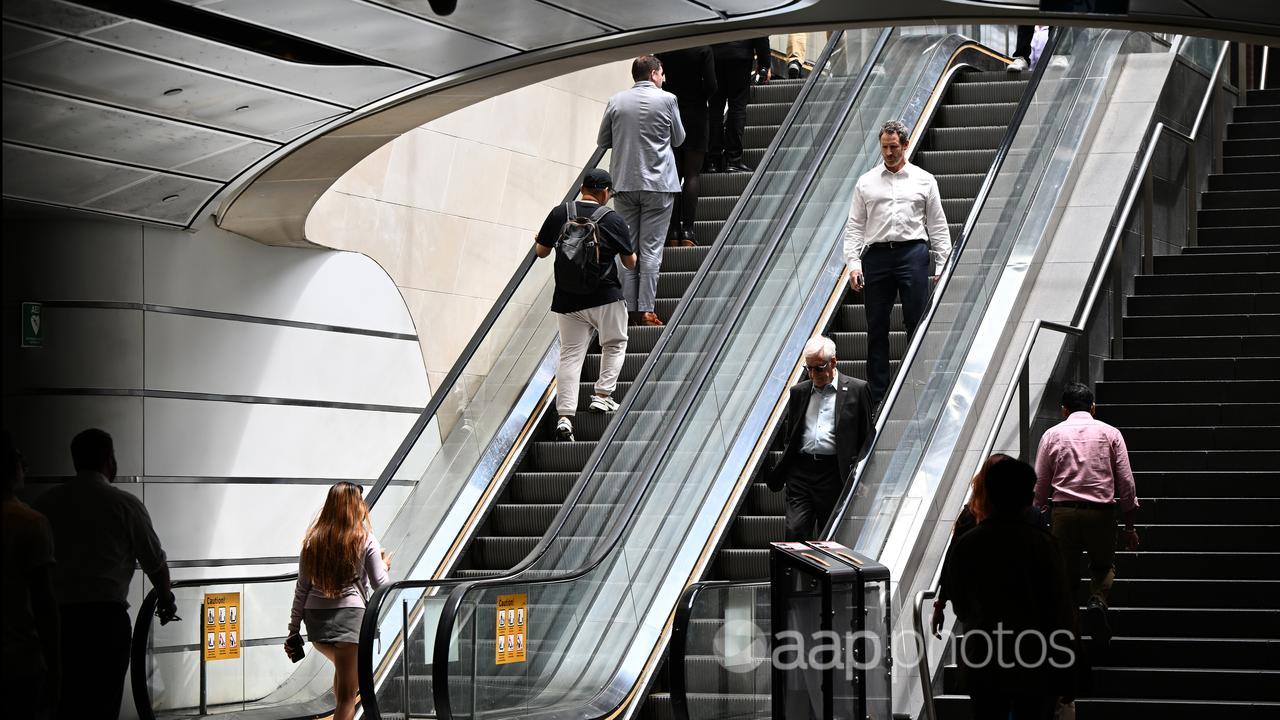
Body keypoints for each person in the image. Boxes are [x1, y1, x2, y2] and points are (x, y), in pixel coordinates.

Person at [35, 428, 176, 720]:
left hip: (57, 622)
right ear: (109, 460)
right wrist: (165, 599)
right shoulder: (125, 506)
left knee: (64, 702)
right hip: (105, 623)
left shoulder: (45, 505)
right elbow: (156, 564)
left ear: (75, 461)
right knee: (103, 702)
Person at [942, 458, 1077, 720]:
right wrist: (1069, 665)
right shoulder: (1044, 545)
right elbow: (1061, 608)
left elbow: (960, 603)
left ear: (989, 493)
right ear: (1027, 498)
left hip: (984, 656)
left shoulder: (969, 544)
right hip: (1035, 658)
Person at [843, 119, 951, 404]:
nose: (889, 153)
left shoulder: (924, 180)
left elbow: (937, 225)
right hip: (876, 255)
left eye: (893, 147)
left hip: (912, 253)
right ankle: (878, 394)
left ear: (905, 145)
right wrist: (853, 264)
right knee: (875, 324)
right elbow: (854, 226)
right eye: (884, 147)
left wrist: (942, 265)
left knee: (915, 321)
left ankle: (918, 384)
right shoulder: (866, 182)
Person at [534, 168, 638, 442]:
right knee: (614, 343)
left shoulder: (560, 213)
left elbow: (541, 252)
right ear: (605, 192)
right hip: (605, 297)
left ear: (582, 187)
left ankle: (565, 418)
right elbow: (630, 263)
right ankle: (602, 396)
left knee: (570, 355)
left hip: (567, 299)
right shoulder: (613, 219)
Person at [1034, 382, 1139, 638]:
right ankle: (1097, 602)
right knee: (1103, 567)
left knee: (1064, 574)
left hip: (1063, 513)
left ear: (1063, 410)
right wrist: (1129, 525)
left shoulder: (1051, 435)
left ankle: (1068, 628)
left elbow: (1039, 483)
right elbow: (1126, 481)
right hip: (1101, 513)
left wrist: (1036, 517)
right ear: (1093, 407)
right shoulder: (1111, 433)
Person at [287, 482, 391, 720]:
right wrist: (384, 566)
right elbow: (381, 585)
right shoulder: (365, 539)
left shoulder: (312, 541)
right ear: (355, 506)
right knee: (347, 697)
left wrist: (293, 628)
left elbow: (302, 588)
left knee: (343, 676)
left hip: (316, 624)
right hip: (349, 621)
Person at [597, 55, 685, 327]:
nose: (663, 78)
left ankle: (625, 311)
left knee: (627, 248)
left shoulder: (616, 101)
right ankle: (646, 309)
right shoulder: (668, 100)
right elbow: (679, 139)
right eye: (661, 74)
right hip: (658, 185)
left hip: (624, 184)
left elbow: (603, 140)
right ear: (653, 74)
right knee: (651, 249)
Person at [766, 335, 874, 540]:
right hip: (801, 474)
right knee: (795, 533)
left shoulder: (857, 390)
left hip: (834, 473)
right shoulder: (799, 392)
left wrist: (863, 477)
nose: (813, 374)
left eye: (819, 368)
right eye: (809, 368)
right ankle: (795, 573)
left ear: (833, 362)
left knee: (829, 538)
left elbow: (867, 439)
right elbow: (792, 435)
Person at [2, 431, 59, 718]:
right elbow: (43, 601)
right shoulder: (29, 522)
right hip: (19, 658)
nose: (25, 467)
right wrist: (56, 665)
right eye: (19, 459)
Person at [655, 45, 717, 247]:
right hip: (696, 113)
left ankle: (673, 231)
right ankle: (688, 231)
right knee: (692, 174)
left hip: (670, 111)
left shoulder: (666, 48)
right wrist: (699, 97)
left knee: (674, 173)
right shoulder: (703, 50)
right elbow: (712, 85)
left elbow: (657, 79)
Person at [707, 38, 771, 173]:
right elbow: (759, 31)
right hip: (740, 56)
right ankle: (733, 159)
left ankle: (713, 161)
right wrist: (764, 64)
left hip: (714, 56)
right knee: (737, 107)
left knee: (715, 109)